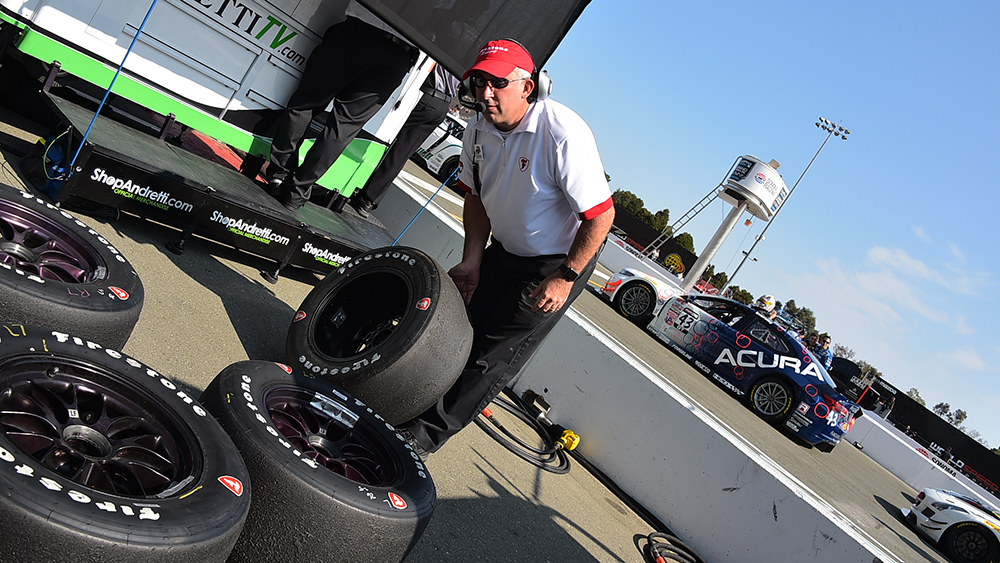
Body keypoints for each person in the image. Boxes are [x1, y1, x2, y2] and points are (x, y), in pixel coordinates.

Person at [398, 39, 615, 458]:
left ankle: (421, 438)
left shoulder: (562, 132)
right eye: (479, 82)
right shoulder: (478, 127)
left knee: (489, 355)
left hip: (555, 265)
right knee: (461, 329)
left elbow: (601, 217)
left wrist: (565, 276)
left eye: (497, 83)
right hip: (506, 250)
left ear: (527, 88)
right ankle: (407, 402)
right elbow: (476, 197)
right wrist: (472, 261)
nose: (485, 93)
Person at [266, 1, 416, 211]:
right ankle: (297, 193)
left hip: (358, 32)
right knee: (342, 129)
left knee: (307, 103)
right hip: (400, 53)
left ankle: (279, 175)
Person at [350, 63, 460, 217]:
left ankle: (355, 181)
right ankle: (368, 200)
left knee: (382, 134)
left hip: (425, 94)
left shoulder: (445, 47)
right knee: (402, 153)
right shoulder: (464, 55)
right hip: (442, 103)